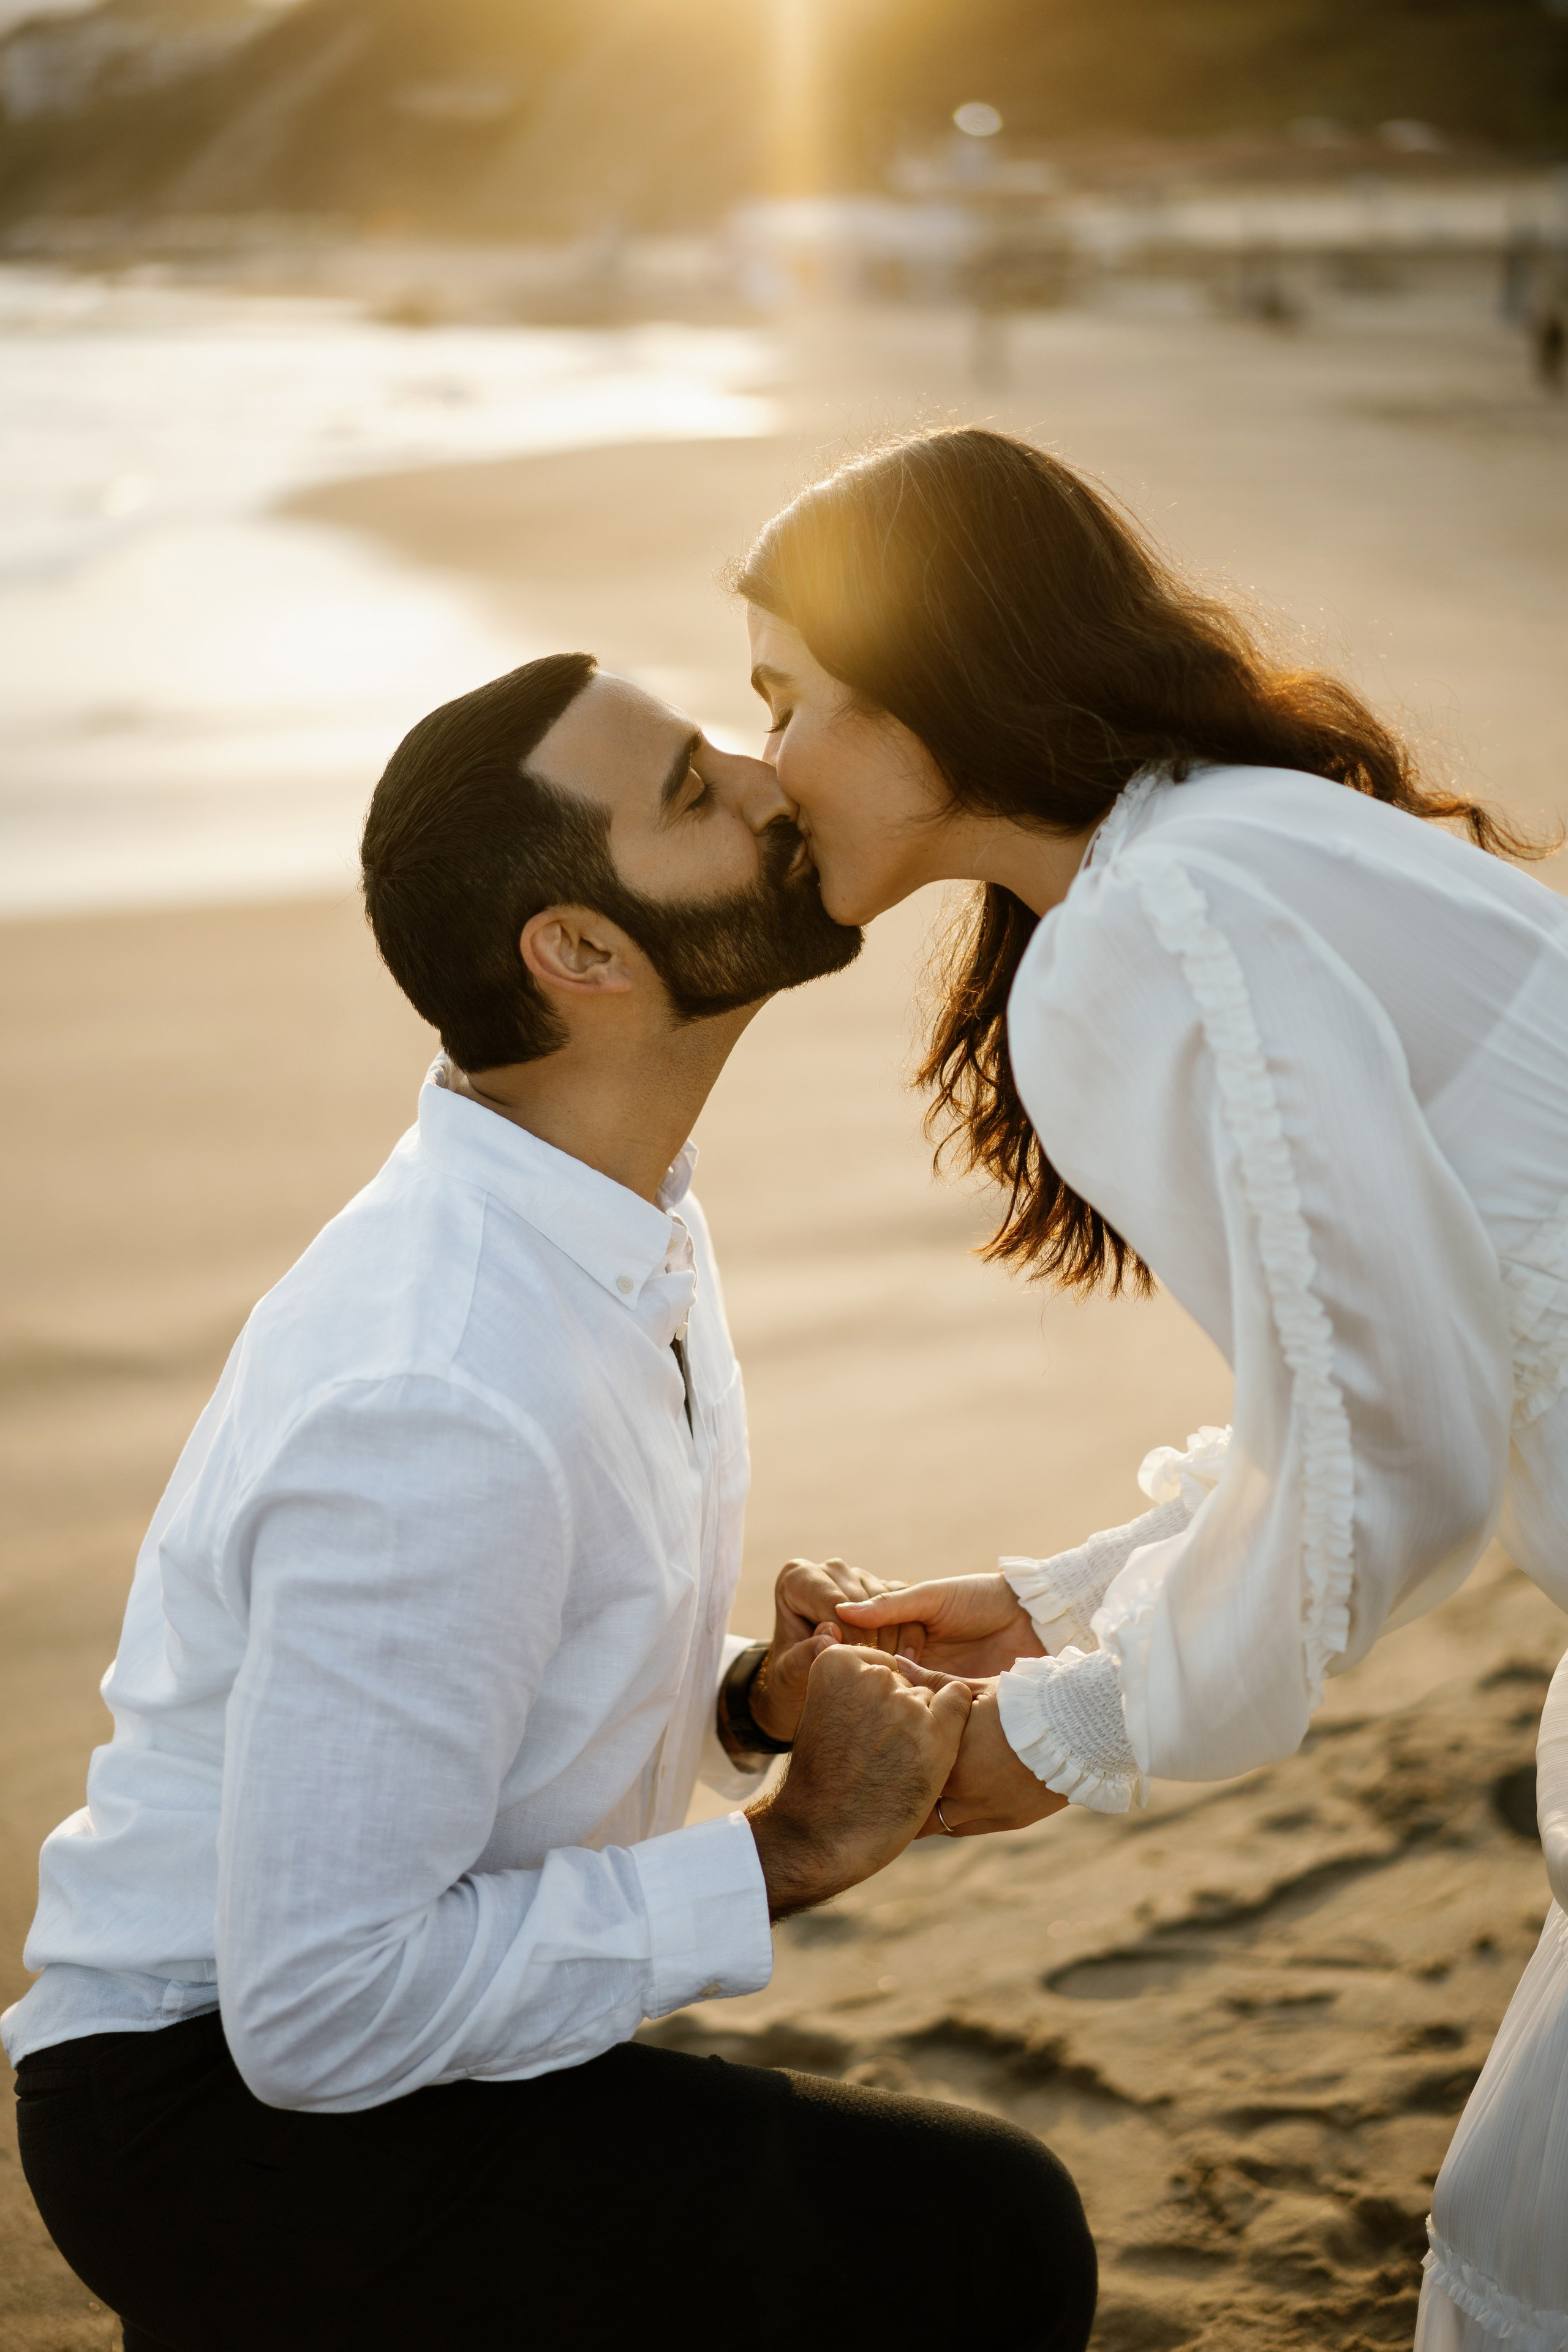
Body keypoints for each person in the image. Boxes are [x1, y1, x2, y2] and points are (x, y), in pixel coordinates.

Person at [4, 654, 1098, 2352]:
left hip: (324, 2057)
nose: (767, 778)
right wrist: (793, 1846)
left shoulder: (594, 1204)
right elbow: (319, 2014)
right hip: (215, 2119)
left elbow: (490, 1652)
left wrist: (743, 1694)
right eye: (690, 791)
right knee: (987, 2238)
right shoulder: (437, 1390)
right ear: (581, 955)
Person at [734, 426, 1568, 2350]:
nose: (764, 768)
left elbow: (1404, 1435)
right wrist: (1061, 1601)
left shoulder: (1151, 927)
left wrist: (1085, 1726)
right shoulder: (1209, 847)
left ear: (936, 677)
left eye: (790, 700)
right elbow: (1378, 1384)